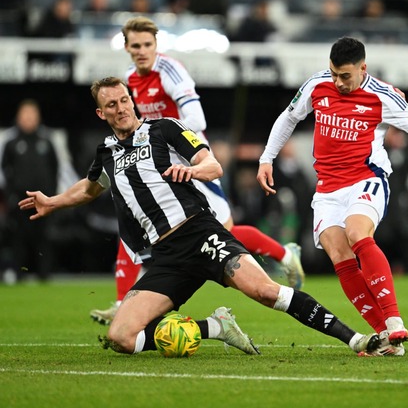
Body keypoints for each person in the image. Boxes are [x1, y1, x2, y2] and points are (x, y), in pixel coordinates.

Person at [19, 77, 380, 357]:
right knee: (121, 337)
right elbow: (89, 188)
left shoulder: (164, 129)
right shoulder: (107, 154)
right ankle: (217, 327)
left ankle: (356, 340)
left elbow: (213, 164)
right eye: (111, 105)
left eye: (124, 99)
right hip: (167, 255)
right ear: (101, 113)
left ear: (132, 100)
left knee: (265, 291)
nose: (120, 108)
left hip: (201, 233)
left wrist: (192, 172)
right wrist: (52, 201)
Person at [89, 16, 304, 325]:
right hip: (155, 159)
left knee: (222, 232)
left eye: (147, 44)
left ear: (156, 44)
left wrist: (168, 140)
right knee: (134, 217)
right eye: (135, 45)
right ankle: (124, 301)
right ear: (126, 47)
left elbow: (197, 121)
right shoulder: (128, 80)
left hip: (188, 159)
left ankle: (284, 255)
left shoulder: (170, 70)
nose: (141, 51)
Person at [257, 37, 408, 356]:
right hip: (327, 188)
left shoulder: (383, 96)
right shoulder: (317, 85)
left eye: (346, 76)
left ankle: (393, 320)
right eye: (334, 74)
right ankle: (385, 338)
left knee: (357, 233)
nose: (338, 82)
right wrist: (266, 158)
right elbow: (289, 117)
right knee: (338, 253)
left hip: (366, 179)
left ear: (363, 68)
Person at [1, 100, 59, 284]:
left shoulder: (46, 141)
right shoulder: (11, 142)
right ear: (18, 117)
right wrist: (10, 195)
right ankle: (18, 275)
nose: (28, 118)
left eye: (32, 114)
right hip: (19, 201)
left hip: (43, 201)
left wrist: (52, 195)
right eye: (25, 114)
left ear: (38, 117)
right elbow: (5, 170)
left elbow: (55, 169)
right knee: (18, 239)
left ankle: (45, 275)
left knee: (44, 238)